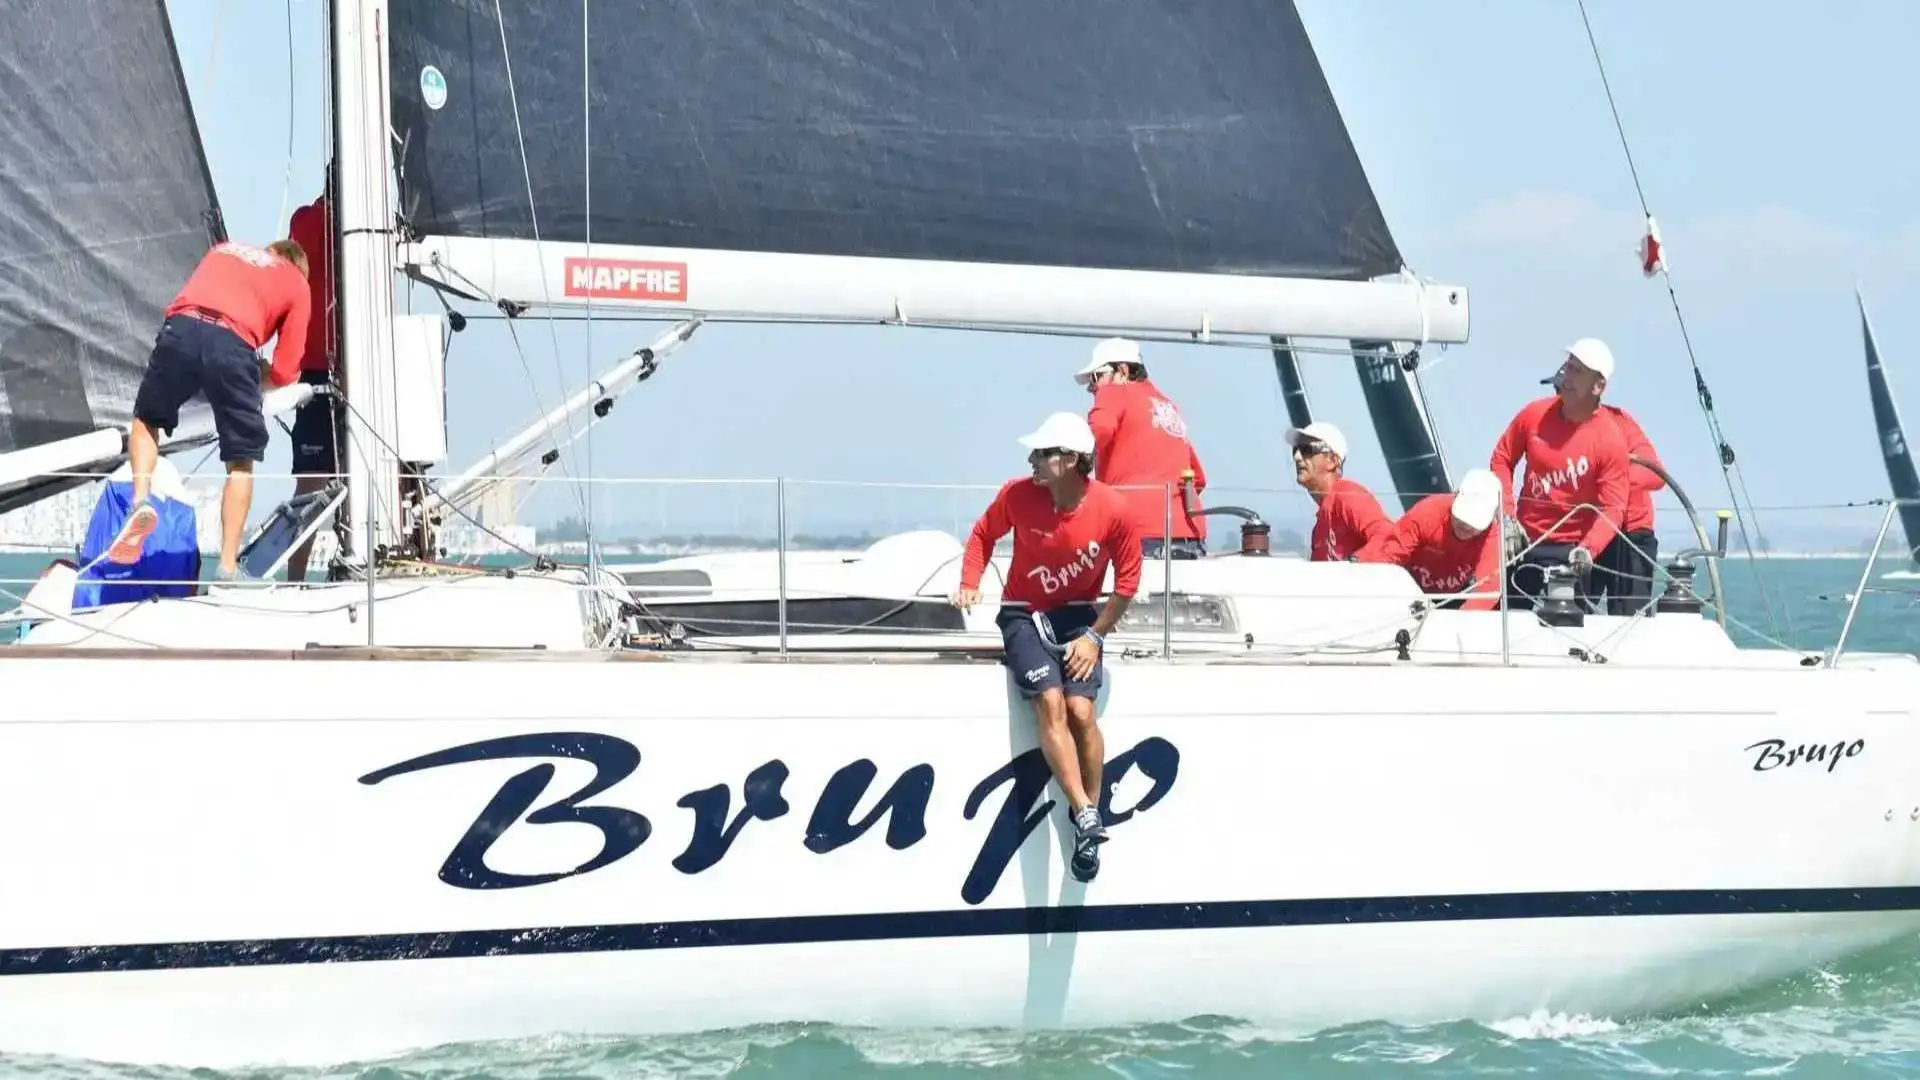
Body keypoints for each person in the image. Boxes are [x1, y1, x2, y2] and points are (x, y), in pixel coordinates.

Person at [951, 411, 1143, 884]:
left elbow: (1127, 584)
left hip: (1079, 617)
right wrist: (970, 582)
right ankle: (1084, 811)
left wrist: (1095, 637)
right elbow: (983, 534)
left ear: (1072, 460)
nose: (1032, 460)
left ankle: (1089, 822)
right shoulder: (1017, 495)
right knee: (1051, 702)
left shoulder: (1113, 509)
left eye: (1042, 453)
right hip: (1023, 614)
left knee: (1081, 711)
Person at [105, 239, 312, 579]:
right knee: (241, 461)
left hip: (180, 328)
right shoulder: (297, 283)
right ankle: (227, 570)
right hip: (233, 344)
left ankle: (140, 502)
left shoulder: (224, 249)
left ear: (271, 251)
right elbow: (286, 372)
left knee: (146, 420)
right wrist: (257, 373)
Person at [1489, 337, 1629, 609]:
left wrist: (1588, 549)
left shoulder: (1610, 439)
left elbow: (1613, 507)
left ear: (1598, 386)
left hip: (1573, 551)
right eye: (1568, 366)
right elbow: (1501, 459)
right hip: (1523, 542)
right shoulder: (1534, 414)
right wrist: (1506, 516)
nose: (1567, 375)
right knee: (1506, 622)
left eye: (1577, 371)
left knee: (1568, 626)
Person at [1074, 337, 1209, 558]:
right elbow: (1198, 478)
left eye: (1096, 377)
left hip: (1137, 533)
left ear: (1123, 371)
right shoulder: (1167, 406)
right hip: (1190, 535)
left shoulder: (1113, 392)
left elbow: (1095, 435)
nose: (1091, 388)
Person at [284, 165, 343, 582]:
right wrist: (335, 213)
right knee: (311, 484)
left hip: (361, 369)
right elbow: (299, 258)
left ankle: (360, 562)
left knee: (365, 477)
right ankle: (295, 581)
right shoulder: (308, 220)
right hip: (317, 371)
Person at [1355, 467, 1505, 610]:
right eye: (1461, 520)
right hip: (1407, 589)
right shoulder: (1427, 513)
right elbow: (1390, 556)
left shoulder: (1491, 539)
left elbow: (1488, 591)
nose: (1466, 527)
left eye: (1473, 526)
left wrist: (1460, 621)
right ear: (1456, 496)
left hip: (1450, 599)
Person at [1286, 421, 1392, 561]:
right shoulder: (1319, 529)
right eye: (1295, 450)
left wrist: (1352, 565)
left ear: (1332, 461)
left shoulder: (1348, 494)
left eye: (1307, 450)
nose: (1297, 457)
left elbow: (1388, 538)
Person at [1596, 402, 1664, 615]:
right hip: (1583, 533)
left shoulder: (1618, 421)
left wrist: (1608, 481)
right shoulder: (1551, 424)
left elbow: (1654, 473)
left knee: (1630, 621)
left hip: (1631, 532)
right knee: (1570, 613)